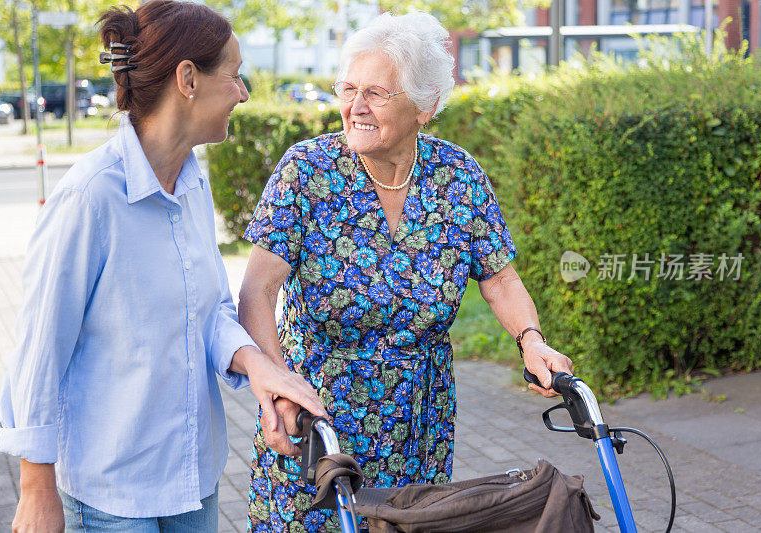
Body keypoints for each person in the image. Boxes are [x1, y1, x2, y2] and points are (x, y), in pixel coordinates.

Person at [239, 11, 574, 531]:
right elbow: (256, 291)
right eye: (348, 88)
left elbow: (500, 279)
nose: (356, 106)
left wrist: (532, 340)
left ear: (426, 105)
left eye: (377, 92)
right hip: (314, 421)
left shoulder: (457, 175)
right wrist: (278, 386)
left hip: (420, 423)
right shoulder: (308, 170)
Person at [0, 1, 325, 532]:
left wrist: (259, 365)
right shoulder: (89, 199)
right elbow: (39, 350)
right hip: (112, 494)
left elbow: (212, 309)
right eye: (236, 76)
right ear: (188, 79)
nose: (243, 94)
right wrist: (36, 489)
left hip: (193, 479)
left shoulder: (193, 182)